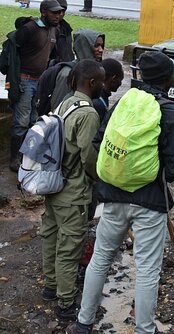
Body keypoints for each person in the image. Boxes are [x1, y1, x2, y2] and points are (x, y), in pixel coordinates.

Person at [66, 51, 174, 334]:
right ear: (168, 79)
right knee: (147, 268)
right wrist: (152, 173)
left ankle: (83, 323)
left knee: (101, 257)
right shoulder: (170, 111)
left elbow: (99, 141)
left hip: (113, 194)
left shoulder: (124, 102)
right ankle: (145, 329)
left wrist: (120, 173)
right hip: (150, 201)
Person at [41, 59, 105, 320]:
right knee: (69, 248)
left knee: (50, 236)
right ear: (92, 83)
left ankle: (50, 287)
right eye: (101, 81)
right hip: (74, 192)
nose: (103, 86)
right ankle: (65, 303)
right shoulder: (88, 113)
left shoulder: (65, 103)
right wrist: (98, 178)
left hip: (53, 184)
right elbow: (87, 155)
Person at [8, 0, 63, 171]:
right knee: (22, 122)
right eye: (54, 12)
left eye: (60, 12)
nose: (58, 15)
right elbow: (12, 48)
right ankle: (14, 158)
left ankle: (27, 156)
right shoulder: (30, 29)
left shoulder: (55, 29)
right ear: (43, 11)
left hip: (39, 81)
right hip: (24, 80)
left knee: (34, 120)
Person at [50, 0, 75, 64]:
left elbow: (68, 50)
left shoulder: (66, 28)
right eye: (57, 11)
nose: (61, 14)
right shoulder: (46, 28)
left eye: (63, 11)